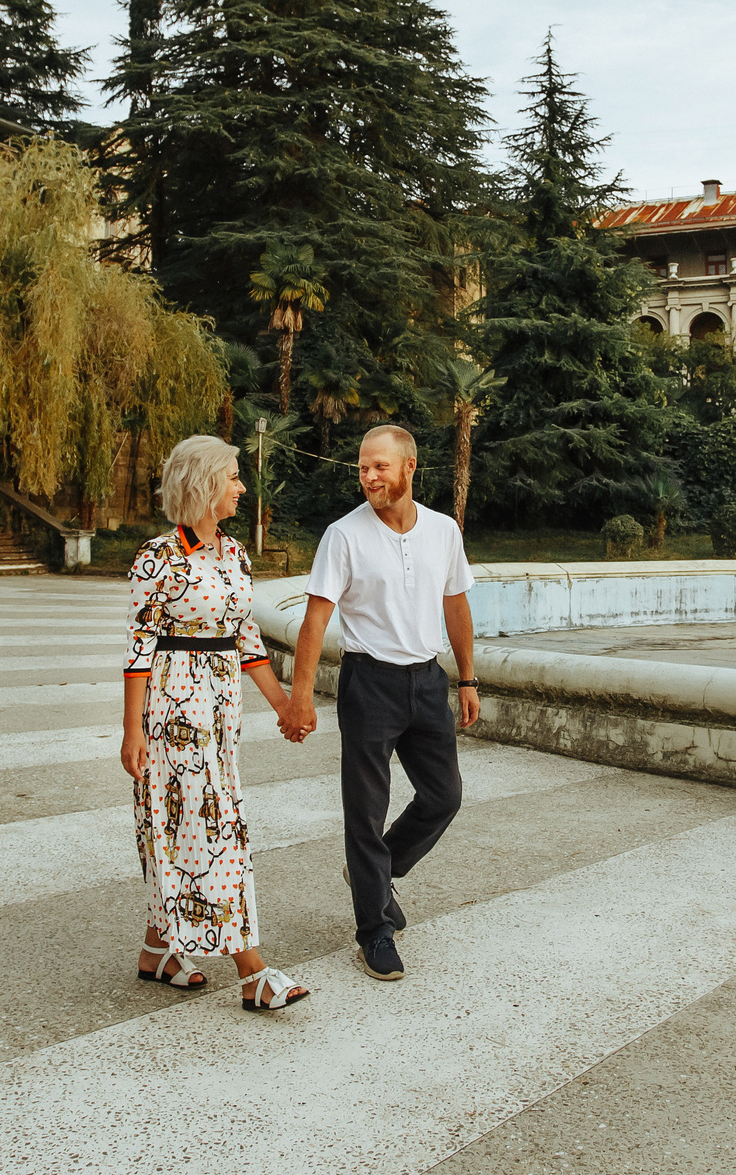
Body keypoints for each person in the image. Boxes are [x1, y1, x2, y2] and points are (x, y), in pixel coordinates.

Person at [122, 434, 311, 1012]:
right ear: (204, 484)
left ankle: (156, 950)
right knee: (212, 827)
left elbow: (247, 639)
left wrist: (283, 706)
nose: (242, 487)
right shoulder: (158, 557)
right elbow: (139, 648)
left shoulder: (234, 554)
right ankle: (252, 970)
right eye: (232, 477)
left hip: (222, 706)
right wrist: (132, 731)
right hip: (173, 706)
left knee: (183, 822)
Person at [282, 425, 478, 983]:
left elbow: (456, 604)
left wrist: (467, 678)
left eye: (380, 467)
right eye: (363, 467)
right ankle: (374, 930)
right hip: (368, 683)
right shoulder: (343, 535)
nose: (369, 476)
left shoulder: (443, 530)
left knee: (444, 796)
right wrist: (300, 699)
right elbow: (315, 619)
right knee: (366, 810)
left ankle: (375, 870)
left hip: (427, 681)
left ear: (409, 467)